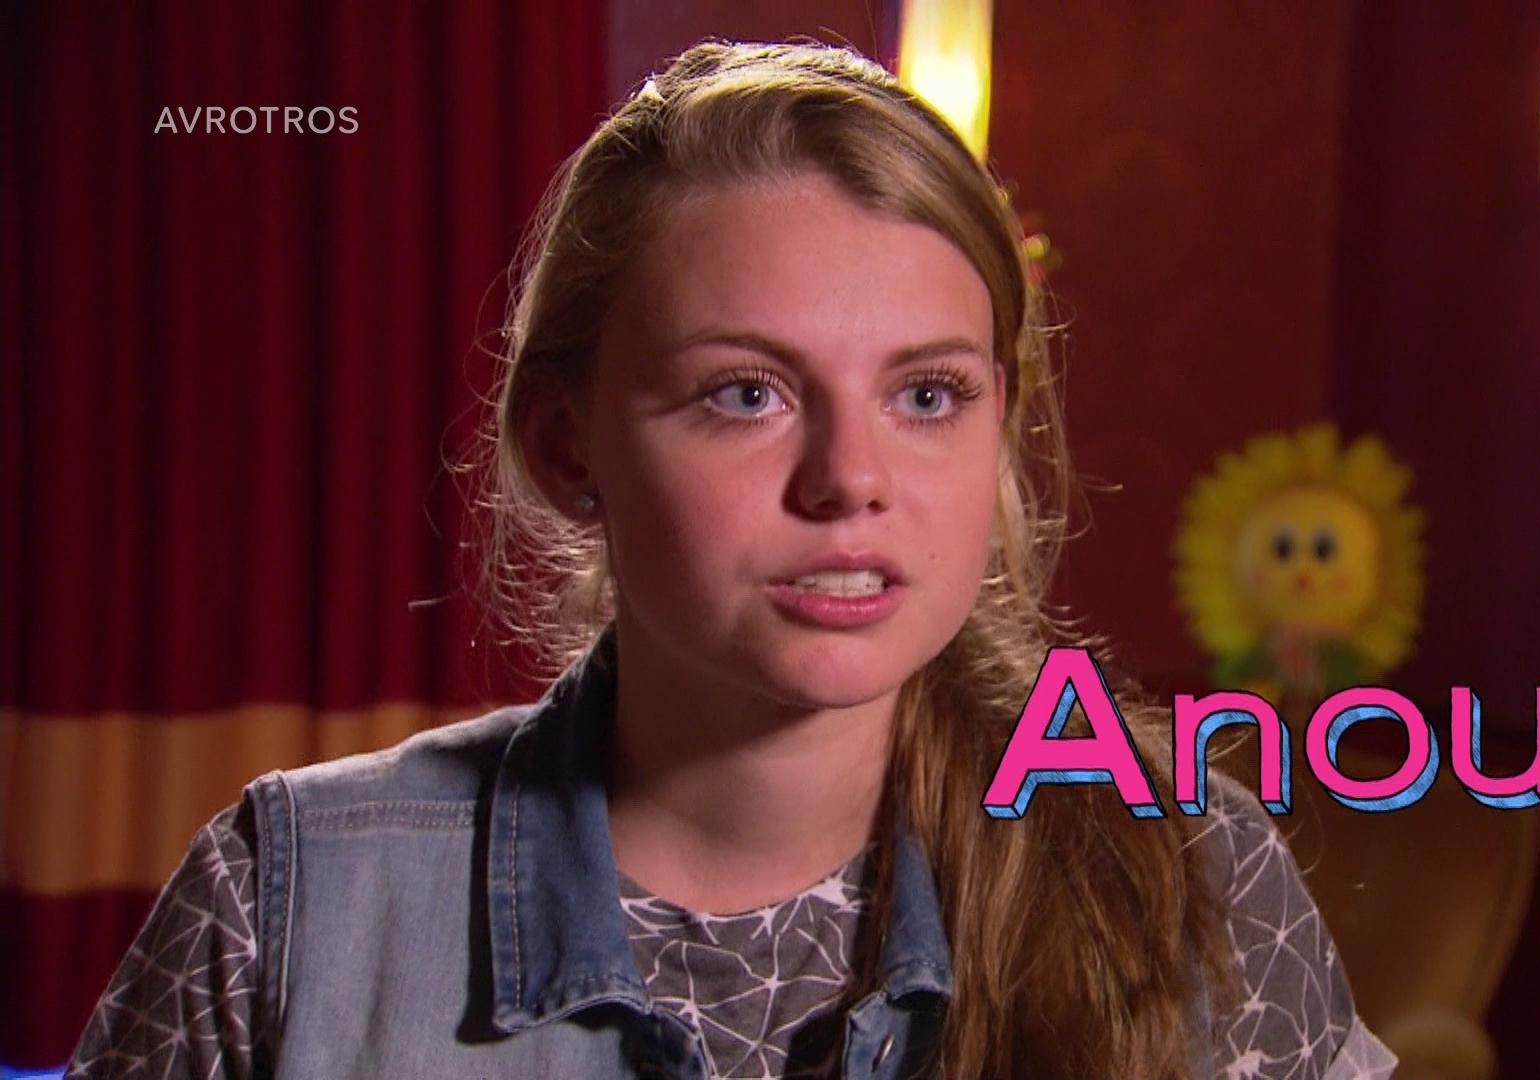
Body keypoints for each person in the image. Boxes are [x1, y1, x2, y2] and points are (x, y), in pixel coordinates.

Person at [66, 41, 1396, 1080]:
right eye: (746, 394)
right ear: (567, 446)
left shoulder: (1180, 873)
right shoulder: (290, 907)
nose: (851, 480)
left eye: (926, 396)